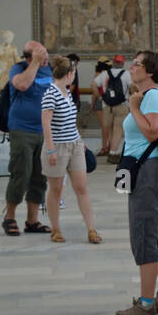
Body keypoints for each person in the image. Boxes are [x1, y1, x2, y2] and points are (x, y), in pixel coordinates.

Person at [116, 50, 158, 315]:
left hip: (148, 171)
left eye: (137, 64)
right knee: (156, 235)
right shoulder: (147, 96)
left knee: (143, 234)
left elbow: (152, 131)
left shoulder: (152, 96)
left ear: (150, 71)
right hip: (146, 169)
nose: (132, 67)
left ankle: (146, 303)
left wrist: (132, 107)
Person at [41, 56, 102, 245]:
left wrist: (79, 140)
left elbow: (70, 121)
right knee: (56, 189)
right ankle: (56, 230)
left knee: (81, 187)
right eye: (74, 73)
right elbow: (46, 123)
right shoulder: (51, 93)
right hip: (57, 147)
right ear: (69, 74)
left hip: (74, 144)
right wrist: (50, 150)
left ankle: (91, 229)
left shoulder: (66, 92)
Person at [2, 40, 53, 236]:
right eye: (41, 54)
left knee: (39, 177)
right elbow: (22, 85)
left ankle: (32, 221)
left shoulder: (49, 71)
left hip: (44, 131)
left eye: (45, 53)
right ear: (29, 56)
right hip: (22, 130)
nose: (45, 57)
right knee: (20, 174)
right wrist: (34, 64)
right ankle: (9, 218)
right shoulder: (19, 69)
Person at [103, 54, 131, 163]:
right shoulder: (127, 74)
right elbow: (132, 86)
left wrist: (103, 97)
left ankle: (112, 149)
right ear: (123, 63)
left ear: (113, 62)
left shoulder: (105, 73)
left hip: (107, 106)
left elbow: (94, 84)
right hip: (122, 105)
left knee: (110, 129)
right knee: (118, 129)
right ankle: (113, 153)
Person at [91, 57, 111, 155]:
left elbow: (95, 92)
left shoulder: (98, 75)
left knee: (104, 126)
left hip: (100, 101)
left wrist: (92, 103)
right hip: (109, 101)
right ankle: (109, 147)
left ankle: (104, 147)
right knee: (109, 126)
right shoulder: (109, 74)